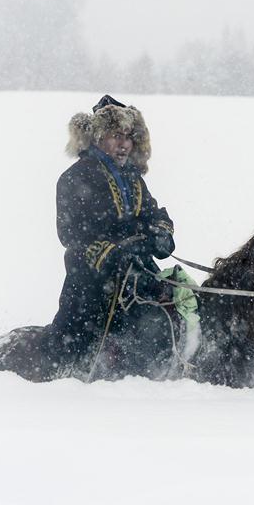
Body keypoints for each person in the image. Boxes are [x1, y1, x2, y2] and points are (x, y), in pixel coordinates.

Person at [48, 95, 175, 376]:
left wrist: (161, 233)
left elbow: (155, 215)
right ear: (97, 138)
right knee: (75, 344)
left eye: (128, 137)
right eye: (116, 136)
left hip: (139, 276)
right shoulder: (74, 177)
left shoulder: (134, 178)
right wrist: (112, 251)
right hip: (90, 283)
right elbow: (71, 234)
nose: (124, 144)